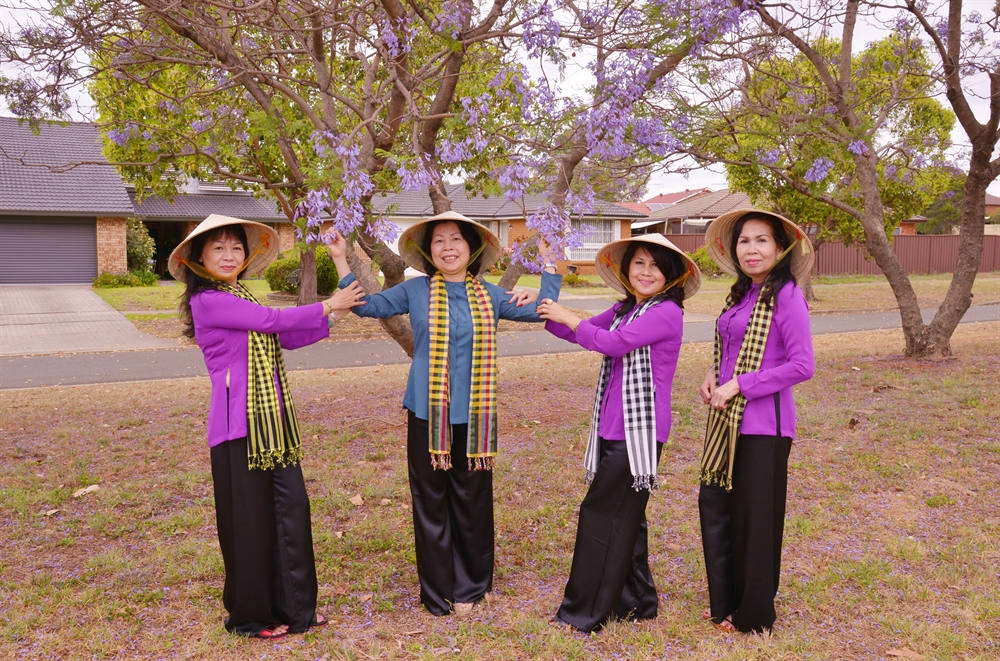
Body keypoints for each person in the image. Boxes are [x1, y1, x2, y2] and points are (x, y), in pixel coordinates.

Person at [325, 211, 562, 617]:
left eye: (456, 239)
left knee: (472, 501)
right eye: (439, 240)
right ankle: (437, 591)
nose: (448, 247)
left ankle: (471, 587)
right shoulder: (415, 291)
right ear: (428, 251)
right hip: (426, 413)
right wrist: (340, 258)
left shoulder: (490, 295)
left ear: (472, 249)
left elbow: (544, 311)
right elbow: (366, 305)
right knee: (430, 502)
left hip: (474, 415)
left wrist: (550, 263)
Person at [171, 214, 366, 640]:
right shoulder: (208, 300)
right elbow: (273, 322)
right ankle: (251, 616)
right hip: (236, 428)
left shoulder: (242, 296)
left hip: (272, 425)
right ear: (198, 258)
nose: (228, 255)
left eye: (236, 247)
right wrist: (328, 303)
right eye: (218, 248)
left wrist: (334, 312)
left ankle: (295, 609)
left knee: (289, 511)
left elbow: (286, 336)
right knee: (250, 524)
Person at [536, 234, 702, 633]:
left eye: (656, 266)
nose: (646, 272)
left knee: (601, 514)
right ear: (626, 269)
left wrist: (568, 316)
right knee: (627, 515)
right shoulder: (626, 309)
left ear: (671, 275)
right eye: (639, 263)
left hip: (639, 429)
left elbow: (612, 344)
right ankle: (637, 601)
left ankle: (584, 612)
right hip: (613, 424)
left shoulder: (666, 312)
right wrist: (546, 289)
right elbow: (569, 331)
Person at [696, 209, 815, 634]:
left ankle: (754, 613)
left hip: (766, 427)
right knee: (717, 508)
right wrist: (714, 375)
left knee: (755, 522)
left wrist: (741, 384)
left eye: (762, 240)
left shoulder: (787, 296)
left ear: (780, 248)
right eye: (744, 241)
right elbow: (732, 347)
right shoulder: (742, 295)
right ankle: (726, 600)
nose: (751, 249)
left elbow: (802, 365)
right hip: (726, 423)